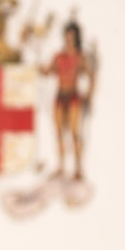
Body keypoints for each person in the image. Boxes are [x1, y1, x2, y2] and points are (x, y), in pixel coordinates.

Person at [39, 21, 90, 180]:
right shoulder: (58, 56)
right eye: (67, 35)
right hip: (60, 97)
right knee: (59, 133)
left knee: (74, 133)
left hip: (73, 96)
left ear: (76, 37)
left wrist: (88, 94)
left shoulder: (80, 57)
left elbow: (90, 75)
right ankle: (61, 166)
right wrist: (41, 68)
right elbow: (48, 72)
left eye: (72, 36)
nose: (69, 38)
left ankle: (78, 168)